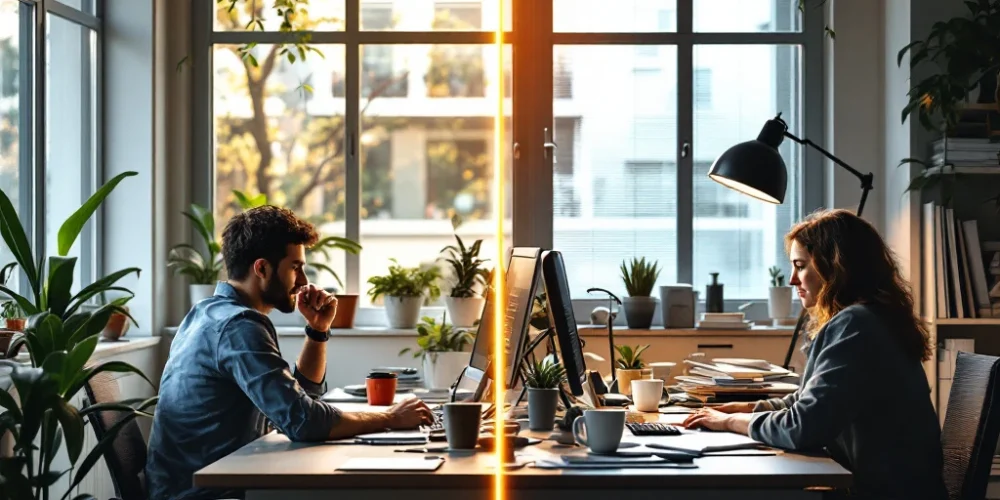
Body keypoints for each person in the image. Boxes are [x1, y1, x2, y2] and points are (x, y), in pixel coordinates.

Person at [146, 206, 433, 500]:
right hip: (206, 495)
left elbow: (301, 401)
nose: (304, 281)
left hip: (199, 488)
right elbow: (303, 421)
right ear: (262, 269)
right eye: (295, 267)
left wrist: (318, 330)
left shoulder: (206, 313)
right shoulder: (239, 326)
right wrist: (391, 417)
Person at [682, 209, 946, 500]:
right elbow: (807, 403)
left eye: (800, 266)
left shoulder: (857, 325)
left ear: (835, 267)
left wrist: (729, 423)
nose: (792, 280)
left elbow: (802, 427)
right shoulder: (872, 319)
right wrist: (744, 409)